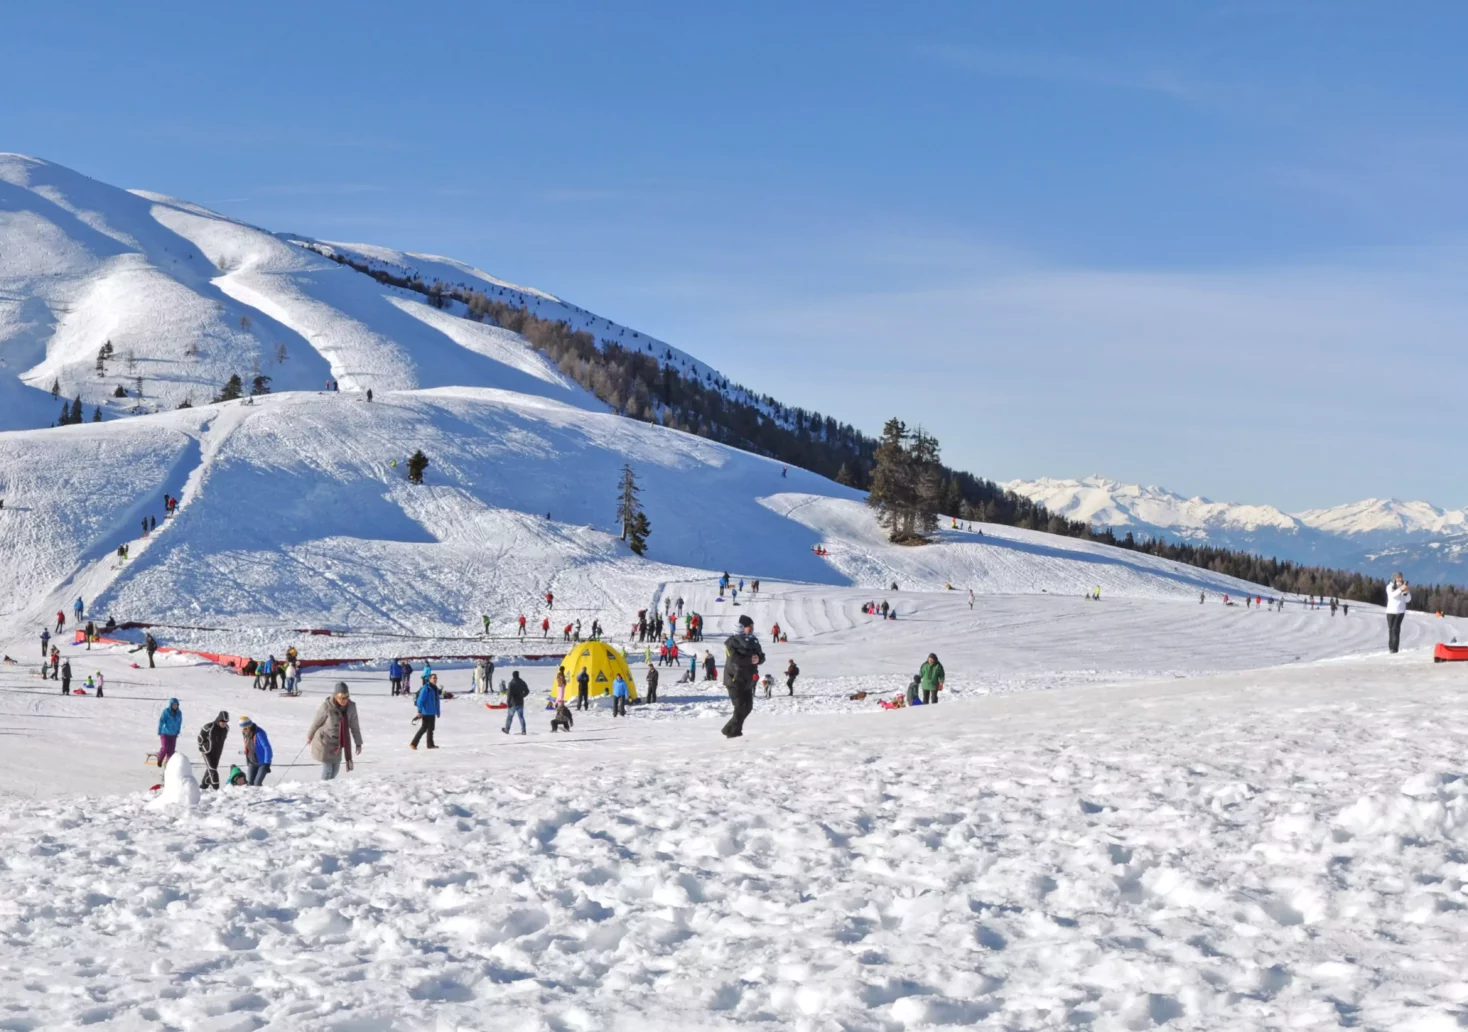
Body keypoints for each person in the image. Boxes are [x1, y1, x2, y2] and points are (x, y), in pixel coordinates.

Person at [721, 615, 765, 738]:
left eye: (752, 626)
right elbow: (735, 659)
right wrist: (752, 660)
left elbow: (761, 655)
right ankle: (731, 732)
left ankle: (732, 731)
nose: (751, 629)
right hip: (734, 679)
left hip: (748, 679)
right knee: (740, 707)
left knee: (748, 707)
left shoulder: (753, 641)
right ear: (742, 627)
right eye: (748, 626)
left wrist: (759, 659)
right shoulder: (731, 642)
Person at [308, 683, 363, 780]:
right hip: (324, 741)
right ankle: (322, 789)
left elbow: (355, 726)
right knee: (328, 769)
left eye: (346, 697)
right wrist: (310, 736)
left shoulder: (351, 707)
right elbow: (317, 722)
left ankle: (328, 789)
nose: (344, 700)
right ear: (336, 696)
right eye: (341, 697)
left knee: (335, 770)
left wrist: (358, 743)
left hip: (338, 744)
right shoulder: (327, 706)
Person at [198, 711, 230, 791]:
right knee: (212, 770)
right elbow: (200, 736)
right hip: (207, 752)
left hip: (218, 752)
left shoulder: (226, 728)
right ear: (219, 719)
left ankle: (203, 786)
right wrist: (201, 746)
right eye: (222, 721)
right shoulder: (209, 727)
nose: (224, 723)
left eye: (226, 722)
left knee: (211, 769)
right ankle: (217, 789)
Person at [239, 716, 273, 786]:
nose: (244, 730)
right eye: (242, 729)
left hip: (262, 763)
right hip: (252, 762)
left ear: (249, 726)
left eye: (245, 728)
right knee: (250, 783)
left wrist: (267, 763)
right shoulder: (245, 734)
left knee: (257, 783)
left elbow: (267, 748)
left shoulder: (259, 733)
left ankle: (261, 796)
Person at [412, 674, 442, 750]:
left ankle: (430, 744)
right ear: (429, 679)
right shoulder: (426, 688)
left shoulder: (435, 688)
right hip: (425, 712)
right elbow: (420, 701)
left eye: (436, 678)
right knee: (424, 728)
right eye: (433, 678)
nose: (435, 680)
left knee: (431, 729)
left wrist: (438, 711)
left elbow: (437, 701)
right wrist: (419, 711)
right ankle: (413, 743)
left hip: (432, 712)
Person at [1385, 572, 1411, 654]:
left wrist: (1406, 592)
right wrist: (1400, 589)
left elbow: (1408, 600)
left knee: (1396, 629)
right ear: (1394, 578)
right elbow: (1392, 595)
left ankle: (1394, 649)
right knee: (1391, 630)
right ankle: (1391, 647)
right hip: (1390, 612)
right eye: (1398, 577)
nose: (1400, 579)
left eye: (1401, 577)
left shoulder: (1404, 586)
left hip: (1400, 611)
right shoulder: (1389, 587)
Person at [157, 698, 182, 768]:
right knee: (165, 747)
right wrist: (159, 730)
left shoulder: (179, 713)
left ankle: (168, 763)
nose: (175, 706)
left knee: (171, 750)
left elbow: (179, 723)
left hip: (173, 734)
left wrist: (178, 731)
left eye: (176, 705)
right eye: (173, 705)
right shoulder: (166, 711)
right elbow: (161, 721)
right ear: (170, 705)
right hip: (165, 733)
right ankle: (160, 759)